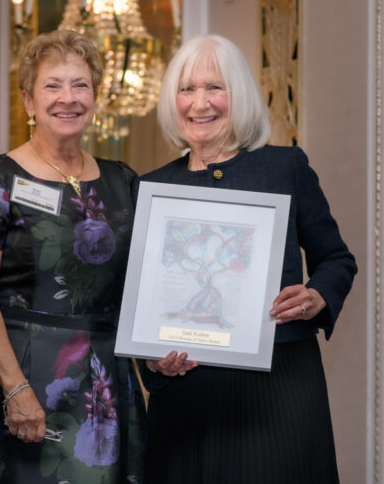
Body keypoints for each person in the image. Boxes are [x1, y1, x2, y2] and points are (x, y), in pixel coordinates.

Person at [139, 34, 358, 483]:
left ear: (238, 94)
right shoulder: (151, 188)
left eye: (214, 87)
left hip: (279, 390)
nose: (200, 103)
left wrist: (317, 296)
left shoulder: (285, 167)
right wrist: (153, 362)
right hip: (187, 400)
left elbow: (337, 259)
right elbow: (141, 301)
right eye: (187, 89)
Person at [0, 30, 144, 484]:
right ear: (28, 101)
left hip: (103, 378)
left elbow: (145, 284)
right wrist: (16, 389)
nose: (67, 98)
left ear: (96, 97)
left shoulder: (124, 182)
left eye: (80, 85)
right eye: (53, 85)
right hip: (19, 373)